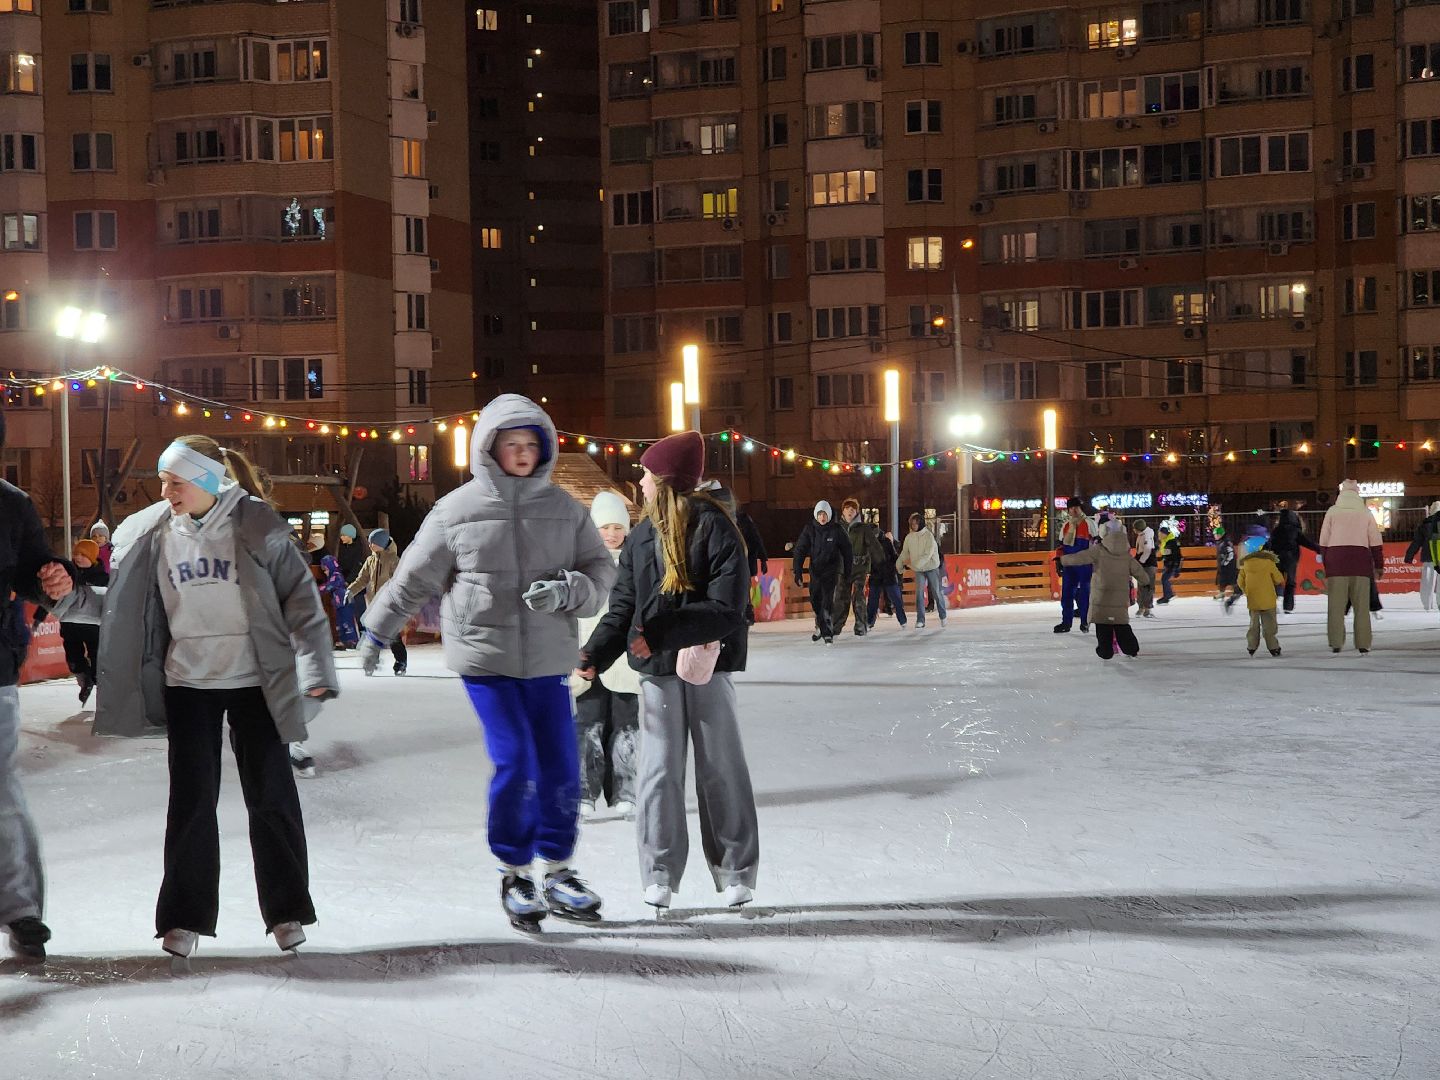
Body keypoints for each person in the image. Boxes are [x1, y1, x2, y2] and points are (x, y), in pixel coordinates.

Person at [43, 435, 337, 959]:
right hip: (189, 685)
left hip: (256, 680)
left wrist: (316, 670)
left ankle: (288, 911)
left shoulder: (256, 523)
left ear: (204, 479)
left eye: (174, 481)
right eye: (163, 482)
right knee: (192, 802)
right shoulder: (157, 534)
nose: (165, 491)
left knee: (271, 797)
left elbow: (301, 599)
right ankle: (184, 917)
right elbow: (124, 606)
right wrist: (70, 598)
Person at [358, 395, 616, 931]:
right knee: (517, 760)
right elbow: (411, 578)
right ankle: (516, 871)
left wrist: (570, 590)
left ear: (543, 449)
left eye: (530, 445)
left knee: (561, 767)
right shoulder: (456, 511)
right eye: (511, 444)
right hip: (486, 661)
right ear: (489, 449)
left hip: (547, 661)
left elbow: (601, 576)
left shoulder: (566, 511)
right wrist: (377, 632)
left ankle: (559, 869)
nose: (521, 454)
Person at [581, 430, 758, 912]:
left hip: (709, 664)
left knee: (720, 765)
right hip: (657, 670)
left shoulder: (718, 528)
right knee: (658, 770)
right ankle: (659, 871)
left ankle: (735, 869)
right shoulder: (641, 536)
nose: (638, 481)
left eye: (644, 472)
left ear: (664, 478)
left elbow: (729, 607)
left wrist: (663, 631)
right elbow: (623, 607)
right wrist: (594, 655)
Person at [0, 411, 68, 962]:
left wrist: (53, 575)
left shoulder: (11, 504)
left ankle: (21, 910)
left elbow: (33, 569)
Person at [571, 491, 639, 820]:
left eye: (617, 526)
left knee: (626, 727)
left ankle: (625, 791)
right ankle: (584, 792)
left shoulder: (638, 561)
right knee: (588, 725)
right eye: (604, 527)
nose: (612, 534)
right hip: (589, 659)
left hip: (626, 660)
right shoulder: (581, 565)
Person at [1060, 512, 1151, 660]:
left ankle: (1105, 651)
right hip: (1119, 598)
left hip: (1102, 596)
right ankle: (1131, 648)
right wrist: (1146, 581)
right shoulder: (1126, 555)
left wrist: (1062, 560)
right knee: (1121, 624)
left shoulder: (1099, 550)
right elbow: (1138, 571)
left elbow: (1080, 557)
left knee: (1103, 625)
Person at [1319, 479, 1384, 654]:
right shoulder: (1365, 513)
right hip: (1361, 565)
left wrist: (1328, 564)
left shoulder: (1332, 512)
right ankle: (1363, 644)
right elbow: (1376, 543)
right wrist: (1379, 566)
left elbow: (1323, 541)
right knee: (1361, 608)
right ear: (1357, 493)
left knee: (1336, 607)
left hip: (1336, 564)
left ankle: (1336, 643)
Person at [345, 529, 406, 675]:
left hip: (390, 605)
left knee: (393, 635)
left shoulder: (393, 561)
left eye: (374, 542)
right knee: (373, 634)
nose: (370, 545)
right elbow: (362, 579)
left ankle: (400, 662)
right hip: (374, 604)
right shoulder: (370, 561)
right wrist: (351, 590)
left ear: (382, 544)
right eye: (370, 542)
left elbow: (400, 582)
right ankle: (371, 662)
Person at [791, 501, 852, 644]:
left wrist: (848, 571)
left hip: (831, 571)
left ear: (829, 515)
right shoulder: (810, 529)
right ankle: (821, 625)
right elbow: (800, 550)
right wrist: (798, 571)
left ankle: (827, 632)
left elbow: (847, 550)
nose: (822, 517)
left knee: (826, 601)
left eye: (824, 514)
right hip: (815, 571)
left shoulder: (836, 530)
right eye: (820, 515)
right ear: (816, 515)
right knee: (815, 600)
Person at [62, 538, 108, 705]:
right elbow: (54, 598)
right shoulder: (68, 576)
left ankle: (100, 689)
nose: (78, 557)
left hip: (93, 626)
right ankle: (85, 682)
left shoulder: (103, 578)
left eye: (83, 554)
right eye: (76, 554)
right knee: (73, 659)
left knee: (98, 659)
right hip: (70, 625)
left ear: (93, 556)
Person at [834, 500, 884, 637]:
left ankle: (861, 625)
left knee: (859, 596)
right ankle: (836, 626)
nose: (850, 511)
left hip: (859, 568)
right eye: (847, 508)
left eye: (853, 509)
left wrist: (881, 562)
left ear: (857, 512)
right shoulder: (837, 528)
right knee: (840, 597)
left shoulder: (863, 528)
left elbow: (874, 546)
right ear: (843, 511)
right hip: (843, 569)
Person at [895, 513, 947, 628]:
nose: (913, 525)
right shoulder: (909, 537)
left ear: (921, 523)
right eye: (912, 523)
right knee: (919, 593)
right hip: (919, 569)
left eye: (916, 523)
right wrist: (899, 564)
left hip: (931, 567)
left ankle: (943, 615)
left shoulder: (928, 536)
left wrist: (916, 564)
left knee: (936, 592)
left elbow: (928, 554)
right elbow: (905, 553)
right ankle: (920, 620)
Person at [1270, 502, 1320, 614]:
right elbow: (1306, 542)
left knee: (1274, 581)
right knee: (1290, 582)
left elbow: (1270, 544)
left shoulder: (1276, 531)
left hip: (1277, 559)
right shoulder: (1295, 531)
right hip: (1290, 559)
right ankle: (1288, 606)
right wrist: (1319, 549)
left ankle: (1271, 603)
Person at [1235, 546, 1285, 656]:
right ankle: (1273, 647)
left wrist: (1247, 591)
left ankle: (1251, 646)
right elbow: (1278, 579)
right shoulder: (1269, 563)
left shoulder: (1246, 564)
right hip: (1268, 599)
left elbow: (1240, 581)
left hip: (1253, 600)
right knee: (1270, 626)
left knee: (1254, 624)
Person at [1054, 497, 1092, 632]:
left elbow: (1097, 544)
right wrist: (1058, 560)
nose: (1074, 510)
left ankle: (1085, 621)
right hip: (1069, 564)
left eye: (1077, 507)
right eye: (1071, 508)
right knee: (1067, 594)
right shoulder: (1066, 526)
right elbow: (1061, 546)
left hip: (1085, 564)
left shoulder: (1089, 523)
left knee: (1084, 594)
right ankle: (1066, 622)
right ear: (1068, 510)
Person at [1403, 500, 1440, 613]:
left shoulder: (1425, 525)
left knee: (1427, 583)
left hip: (1429, 558)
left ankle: (1427, 605)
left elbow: (1417, 542)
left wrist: (1409, 555)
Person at [866, 528, 907, 629]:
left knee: (896, 599)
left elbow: (894, 556)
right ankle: (869, 622)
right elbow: (867, 559)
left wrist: (898, 567)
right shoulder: (868, 543)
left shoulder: (886, 542)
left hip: (888, 574)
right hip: (876, 575)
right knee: (873, 601)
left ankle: (902, 620)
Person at [1132, 518, 1157, 617]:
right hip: (1142, 561)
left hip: (1148, 563)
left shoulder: (1147, 535)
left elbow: (1147, 549)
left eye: (1135, 528)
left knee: (1147, 586)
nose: (1133, 530)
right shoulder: (1141, 535)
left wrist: (1141, 561)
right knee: (1141, 586)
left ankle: (1147, 608)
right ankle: (1141, 607)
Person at [1157, 525, 1183, 604]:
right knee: (1164, 579)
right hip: (1169, 564)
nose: (1159, 535)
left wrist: (1176, 568)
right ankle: (1169, 595)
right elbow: (1166, 553)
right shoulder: (1166, 541)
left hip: (1171, 564)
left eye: (1160, 534)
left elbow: (1176, 555)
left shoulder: (1171, 542)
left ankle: (1167, 596)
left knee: (1164, 579)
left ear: (1164, 534)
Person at [1213, 525, 1238, 604]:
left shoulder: (1226, 542)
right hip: (1223, 566)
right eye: (1215, 535)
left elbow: (1231, 553)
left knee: (1232, 580)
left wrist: (1226, 562)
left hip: (1229, 567)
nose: (1215, 536)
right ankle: (1222, 593)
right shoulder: (1220, 542)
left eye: (1216, 534)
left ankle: (1236, 593)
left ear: (1221, 535)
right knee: (1221, 581)